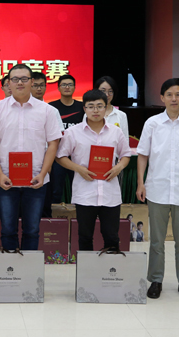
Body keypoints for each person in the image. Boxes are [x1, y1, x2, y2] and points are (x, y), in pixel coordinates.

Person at [136, 78, 179, 302]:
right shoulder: (152, 123)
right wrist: (140, 183)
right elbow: (142, 155)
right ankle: (155, 280)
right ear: (162, 97)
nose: (173, 98)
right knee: (156, 240)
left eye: (177, 94)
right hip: (157, 188)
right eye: (169, 94)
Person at [0, 64, 62, 251]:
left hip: (36, 179)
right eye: (15, 79)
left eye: (24, 79)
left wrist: (43, 174)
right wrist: (0, 174)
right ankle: (11, 269)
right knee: (7, 229)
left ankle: (29, 268)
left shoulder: (47, 110)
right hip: (5, 179)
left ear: (32, 82)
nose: (20, 83)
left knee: (32, 230)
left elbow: (53, 144)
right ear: (8, 83)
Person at [55, 89, 131, 252]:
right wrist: (78, 169)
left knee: (112, 237)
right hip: (85, 193)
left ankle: (110, 268)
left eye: (99, 106)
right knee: (85, 236)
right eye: (90, 106)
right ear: (84, 108)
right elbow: (60, 157)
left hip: (110, 193)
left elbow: (126, 155)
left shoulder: (115, 132)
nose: (95, 110)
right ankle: (86, 269)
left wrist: (118, 167)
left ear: (106, 107)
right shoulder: (73, 132)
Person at [48, 74, 84, 213]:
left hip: (77, 155)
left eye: (70, 84)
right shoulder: (51, 107)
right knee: (56, 189)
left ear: (74, 87)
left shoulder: (82, 107)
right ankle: (53, 219)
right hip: (57, 155)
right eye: (64, 84)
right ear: (58, 88)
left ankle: (79, 216)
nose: (67, 87)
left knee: (79, 188)